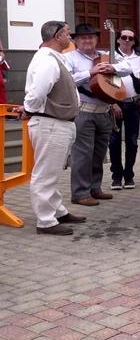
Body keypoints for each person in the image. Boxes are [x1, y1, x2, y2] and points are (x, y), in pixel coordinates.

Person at [21, 21, 86, 235]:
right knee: (45, 173)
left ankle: (58, 211)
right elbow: (38, 92)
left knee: (52, 170)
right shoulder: (48, 60)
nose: (70, 37)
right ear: (57, 36)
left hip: (55, 122)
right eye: (67, 33)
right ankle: (46, 221)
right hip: (50, 123)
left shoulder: (54, 58)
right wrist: (29, 109)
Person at [65, 23, 132, 206]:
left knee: (99, 154)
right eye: (83, 38)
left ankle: (95, 188)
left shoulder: (106, 56)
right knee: (83, 154)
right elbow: (67, 80)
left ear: (96, 39)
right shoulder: (69, 58)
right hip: (84, 111)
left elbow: (128, 67)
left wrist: (113, 69)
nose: (87, 40)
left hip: (104, 112)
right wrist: (90, 72)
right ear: (76, 40)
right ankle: (80, 193)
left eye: (91, 37)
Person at [109, 27, 140, 190]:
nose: (127, 41)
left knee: (132, 140)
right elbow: (107, 81)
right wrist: (112, 103)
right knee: (114, 141)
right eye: (123, 37)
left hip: (133, 103)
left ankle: (129, 174)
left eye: (130, 38)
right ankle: (116, 176)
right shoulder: (112, 55)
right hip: (116, 104)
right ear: (118, 39)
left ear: (134, 41)